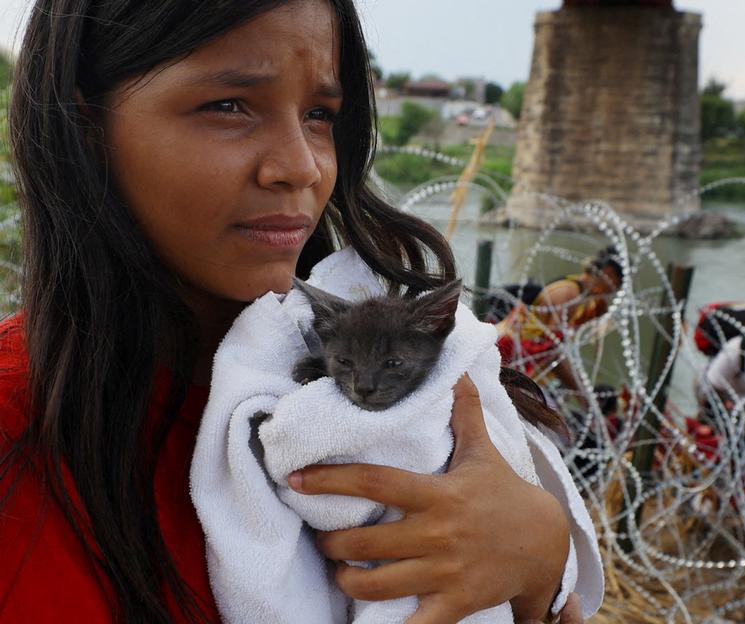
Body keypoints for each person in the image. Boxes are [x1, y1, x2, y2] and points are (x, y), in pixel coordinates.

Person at [0, 2, 592, 622]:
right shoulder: (20, 447)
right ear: (85, 125)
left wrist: (538, 565)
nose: (303, 167)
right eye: (228, 105)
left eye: (320, 115)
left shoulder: (436, 407)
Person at [496, 247, 623, 392]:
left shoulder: (586, 298)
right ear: (609, 273)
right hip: (508, 360)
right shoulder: (568, 294)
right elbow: (552, 350)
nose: (617, 290)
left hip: (525, 366)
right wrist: (581, 392)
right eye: (619, 283)